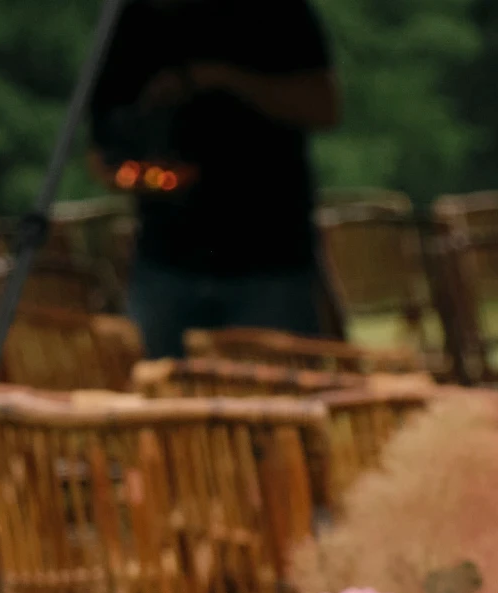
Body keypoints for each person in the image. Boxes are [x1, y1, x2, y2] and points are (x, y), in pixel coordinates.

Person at [90, 0, 342, 360]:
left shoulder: (278, 12)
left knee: (278, 402)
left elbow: (325, 104)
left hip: (270, 259)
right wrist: (158, 180)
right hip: (165, 262)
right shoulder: (129, 20)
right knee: (161, 403)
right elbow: (103, 154)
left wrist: (219, 78)